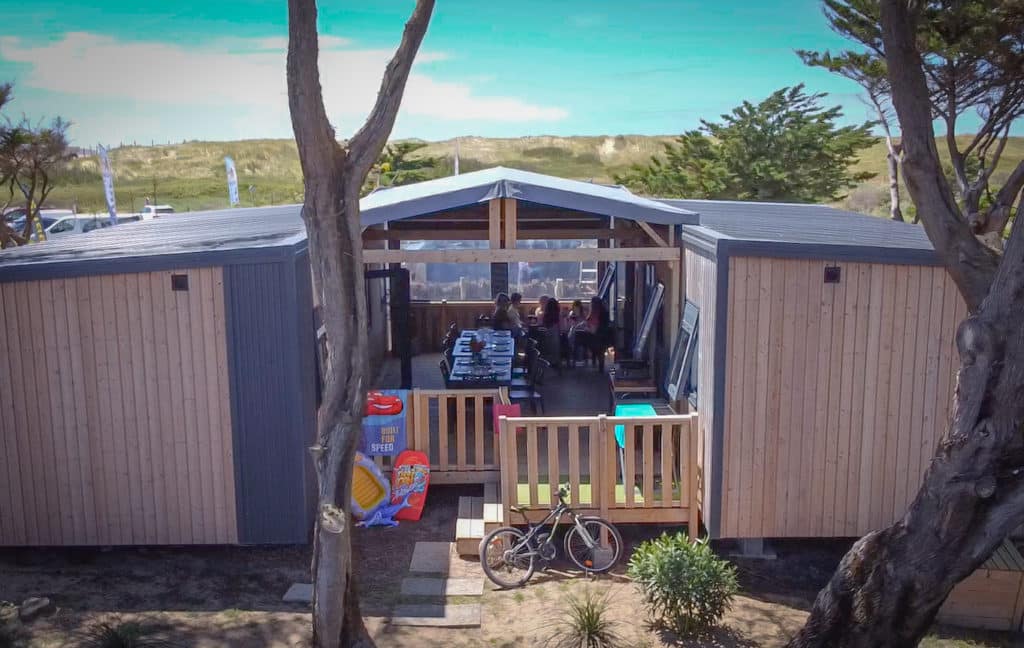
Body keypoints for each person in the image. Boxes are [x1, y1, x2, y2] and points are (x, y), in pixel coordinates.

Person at [573, 296, 613, 370]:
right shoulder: (604, 313)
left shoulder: (595, 315)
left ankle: (577, 359)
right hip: (603, 339)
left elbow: (593, 330)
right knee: (577, 333)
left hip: (596, 339)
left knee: (576, 335)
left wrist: (585, 328)